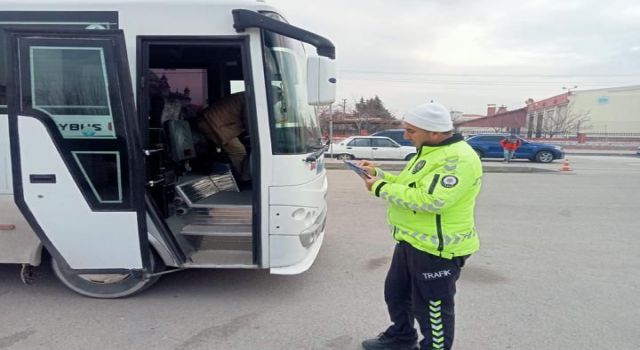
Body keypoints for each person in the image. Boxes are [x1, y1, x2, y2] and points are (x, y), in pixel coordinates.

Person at [357, 102, 483, 350]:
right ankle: (401, 338)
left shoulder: (457, 159)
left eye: (411, 131)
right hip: (412, 241)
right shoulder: (428, 152)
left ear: (434, 132)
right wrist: (378, 174)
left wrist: (380, 188)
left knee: (432, 309)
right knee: (396, 294)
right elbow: (410, 187)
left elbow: (433, 200)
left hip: (437, 249)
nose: (406, 135)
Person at [197, 92, 251, 182]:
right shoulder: (251, 100)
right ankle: (245, 180)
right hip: (213, 124)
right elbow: (249, 121)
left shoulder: (247, 96)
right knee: (238, 151)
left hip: (215, 123)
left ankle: (241, 177)